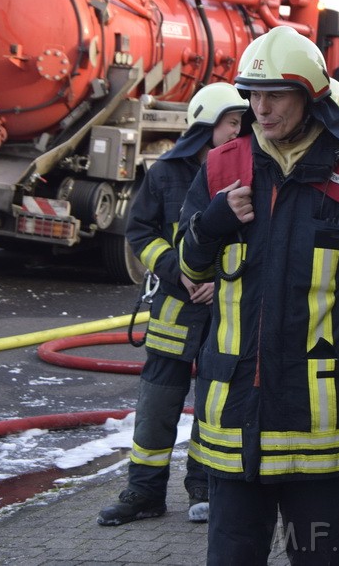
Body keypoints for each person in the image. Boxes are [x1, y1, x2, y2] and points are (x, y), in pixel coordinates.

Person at [177, 25, 339, 564]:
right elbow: (186, 271)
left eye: (276, 94)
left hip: (319, 419)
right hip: (235, 417)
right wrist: (209, 226)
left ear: (310, 97)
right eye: (253, 94)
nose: (262, 107)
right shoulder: (220, 167)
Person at [97, 83, 247, 526]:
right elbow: (140, 232)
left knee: (213, 405)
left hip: (224, 309)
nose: (241, 130)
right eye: (233, 122)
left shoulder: (248, 173)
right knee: (157, 406)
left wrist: (218, 280)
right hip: (175, 312)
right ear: (206, 126)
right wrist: (174, 269)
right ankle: (144, 492)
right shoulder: (165, 174)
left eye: (243, 124)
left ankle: (203, 488)